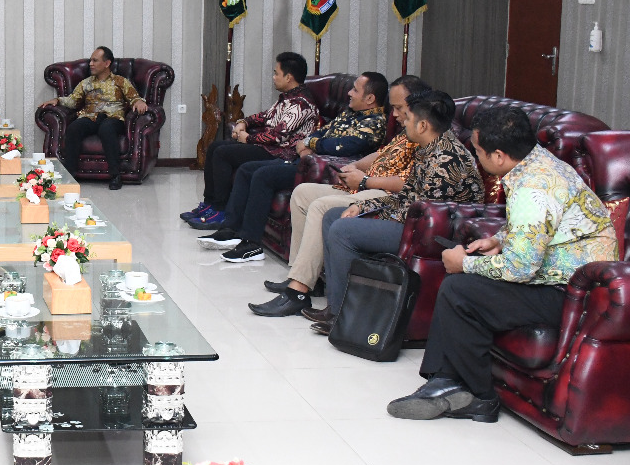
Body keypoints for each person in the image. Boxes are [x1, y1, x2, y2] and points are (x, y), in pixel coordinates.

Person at [388, 107, 617, 422]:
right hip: (565, 282)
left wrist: (465, 264)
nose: (476, 156)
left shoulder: (532, 188)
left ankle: (478, 396)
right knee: (463, 281)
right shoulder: (542, 163)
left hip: (573, 296)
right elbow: (543, 224)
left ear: (498, 156)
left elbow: (521, 268)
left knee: (459, 288)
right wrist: (498, 239)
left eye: (478, 151)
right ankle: (446, 381)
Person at [248, 75, 426, 316]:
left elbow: (410, 184)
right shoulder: (407, 131)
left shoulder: (425, 136)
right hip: (366, 184)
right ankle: (303, 277)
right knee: (302, 193)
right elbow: (382, 155)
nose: (393, 114)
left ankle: (297, 292)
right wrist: (355, 167)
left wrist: (365, 181)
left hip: (384, 195)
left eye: (398, 108)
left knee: (321, 207)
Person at [312, 90, 484, 334]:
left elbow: (422, 213)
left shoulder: (446, 159)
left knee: (342, 230)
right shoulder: (428, 149)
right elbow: (407, 197)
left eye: (408, 117)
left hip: (432, 234)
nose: (402, 121)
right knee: (333, 216)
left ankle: (346, 317)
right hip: (413, 221)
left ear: (423, 125)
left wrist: (375, 214)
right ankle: (336, 307)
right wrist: (362, 207)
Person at [201, 71, 389, 264]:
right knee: (247, 170)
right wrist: (308, 143)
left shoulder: (375, 123)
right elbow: (321, 132)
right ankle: (231, 229)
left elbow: (343, 147)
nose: (349, 93)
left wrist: (311, 145)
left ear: (370, 98)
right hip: (303, 160)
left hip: (323, 170)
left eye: (355, 90)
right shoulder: (350, 113)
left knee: (264, 175)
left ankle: (252, 244)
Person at [181, 52, 319, 226]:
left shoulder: (301, 104)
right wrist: (243, 122)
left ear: (288, 77)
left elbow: (278, 136)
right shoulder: (287, 98)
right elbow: (265, 116)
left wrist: (248, 138)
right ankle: (210, 204)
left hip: (281, 153)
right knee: (215, 147)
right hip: (268, 147)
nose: (273, 77)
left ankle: (221, 211)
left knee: (223, 153)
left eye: (276, 73)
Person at [38, 46, 148, 190]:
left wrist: (139, 102)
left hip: (113, 118)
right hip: (90, 116)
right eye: (90, 60)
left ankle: (115, 175)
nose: (91, 64)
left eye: (95, 61)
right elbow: (73, 101)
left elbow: (134, 98)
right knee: (74, 128)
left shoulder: (120, 81)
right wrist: (57, 101)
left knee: (106, 129)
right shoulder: (86, 83)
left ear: (107, 63)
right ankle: (70, 174)